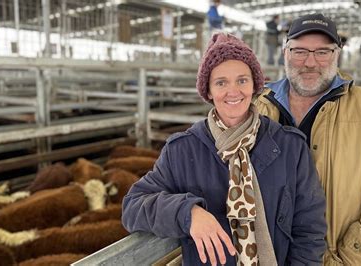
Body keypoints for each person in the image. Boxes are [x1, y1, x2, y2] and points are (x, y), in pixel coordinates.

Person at [123, 33, 327, 265]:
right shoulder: (182, 150)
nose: (233, 91)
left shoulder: (290, 147)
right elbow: (133, 206)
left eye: (242, 80)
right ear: (208, 91)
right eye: (221, 82)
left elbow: (310, 230)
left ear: (254, 85)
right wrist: (188, 213)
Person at [253, 13, 361, 265]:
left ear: (337, 54)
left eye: (322, 52)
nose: (310, 62)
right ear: (285, 52)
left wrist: (354, 253)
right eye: (299, 51)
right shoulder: (257, 108)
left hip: (345, 256)